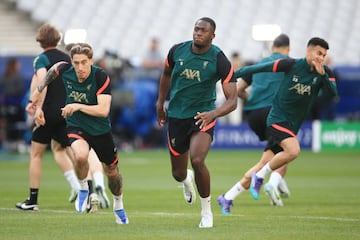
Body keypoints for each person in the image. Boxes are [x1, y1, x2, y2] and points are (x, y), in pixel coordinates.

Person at [28, 43, 129, 224]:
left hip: (100, 129)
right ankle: (83, 189)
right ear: (71, 61)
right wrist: (35, 100)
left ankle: (118, 204)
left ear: (91, 61)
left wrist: (77, 106)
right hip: (76, 126)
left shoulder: (100, 76)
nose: (80, 67)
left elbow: (103, 110)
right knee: (80, 156)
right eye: (76, 63)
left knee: (112, 173)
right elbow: (49, 74)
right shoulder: (63, 69)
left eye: (84, 62)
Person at [231, 37, 337, 203]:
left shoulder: (324, 73)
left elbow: (333, 94)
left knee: (278, 156)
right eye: (318, 53)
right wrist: (235, 73)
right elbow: (260, 68)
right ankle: (267, 180)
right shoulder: (291, 64)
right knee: (292, 150)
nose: (321, 58)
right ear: (307, 51)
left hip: (285, 122)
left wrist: (323, 75)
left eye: (324, 55)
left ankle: (248, 186)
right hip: (275, 118)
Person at [156, 17, 237, 228]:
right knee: (178, 173)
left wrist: (214, 114)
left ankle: (207, 213)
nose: (198, 33)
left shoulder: (219, 59)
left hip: (203, 117)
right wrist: (159, 103)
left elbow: (233, 100)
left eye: (203, 31)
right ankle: (186, 181)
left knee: (198, 160)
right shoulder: (177, 51)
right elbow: (165, 74)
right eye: (196, 29)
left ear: (213, 35)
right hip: (176, 116)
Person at [218, 34, 292, 213]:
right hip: (272, 114)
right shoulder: (290, 64)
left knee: (273, 157)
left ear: (273, 46)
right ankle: (273, 183)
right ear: (288, 48)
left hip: (253, 114)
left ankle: (229, 197)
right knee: (288, 152)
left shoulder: (260, 63)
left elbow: (238, 90)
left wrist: (252, 99)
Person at [15, 24, 81, 211]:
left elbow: (44, 79)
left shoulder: (41, 59)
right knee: (74, 153)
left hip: (48, 112)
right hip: (66, 110)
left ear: (40, 40)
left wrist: (38, 108)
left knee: (36, 155)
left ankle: (33, 200)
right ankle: (87, 191)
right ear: (57, 40)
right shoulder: (67, 58)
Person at [0, 57, 25, 151]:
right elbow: (20, 90)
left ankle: (10, 141)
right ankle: (15, 141)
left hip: (6, 103)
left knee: (8, 123)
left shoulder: (4, 75)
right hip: (14, 103)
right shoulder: (17, 76)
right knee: (15, 123)